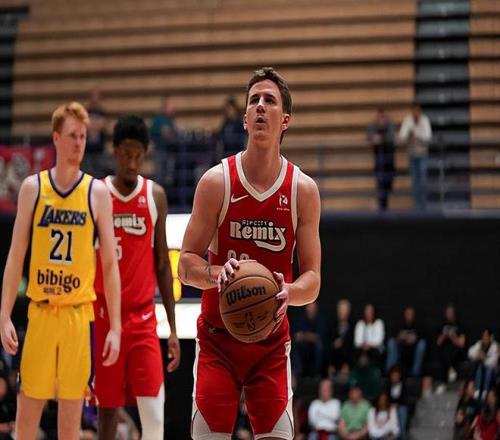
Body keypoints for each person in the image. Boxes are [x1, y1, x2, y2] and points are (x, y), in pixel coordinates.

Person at [179, 67, 321, 439]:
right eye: (253, 100)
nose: (260, 106)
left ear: (285, 120)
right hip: (218, 341)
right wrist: (218, 275)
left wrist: (288, 290)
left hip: (270, 345)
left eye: (269, 100)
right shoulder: (216, 182)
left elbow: (313, 280)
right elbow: (185, 264)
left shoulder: (303, 190)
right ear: (244, 119)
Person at [0, 102, 121, 439]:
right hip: (41, 313)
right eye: (72, 135)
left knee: (70, 426)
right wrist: (4, 314)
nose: (79, 142)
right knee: (26, 422)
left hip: (77, 318)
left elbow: (110, 264)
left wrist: (115, 326)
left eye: (82, 136)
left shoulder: (97, 192)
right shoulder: (33, 188)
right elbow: (15, 256)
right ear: (56, 138)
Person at [93, 115, 181, 440]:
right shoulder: (97, 194)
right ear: (115, 152)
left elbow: (163, 265)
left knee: (155, 418)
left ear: (145, 154)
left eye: (138, 155)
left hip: (144, 319)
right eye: (126, 154)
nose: (131, 163)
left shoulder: (155, 195)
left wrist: (173, 329)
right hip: (105, 318)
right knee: (107, 415)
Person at [398, 103, 432, 211]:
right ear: (412, 111)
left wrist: (417, 135)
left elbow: (428, 137)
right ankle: (417, 206)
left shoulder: (425, 120)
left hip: (422, 154)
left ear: (420, 111)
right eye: (414, 111)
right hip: (412, 153)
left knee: (423, 180)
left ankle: (424, 206)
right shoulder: (407, 120)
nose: (416, 113)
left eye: (418, 111)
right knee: (414, 181)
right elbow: (401, 136)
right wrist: (408, 135)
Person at [366, 109, 395, 211]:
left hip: (389, 161)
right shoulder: (374, 126)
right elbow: (368, 136)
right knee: (380, 182)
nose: (381, 120)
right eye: (380, 118)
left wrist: (381, 138)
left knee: (388, 183)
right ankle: (382, 205)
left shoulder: (390, 126)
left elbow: (391, 137)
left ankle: (384, 203)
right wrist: (373, 137)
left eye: (383, 117)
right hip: (379, 161)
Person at [386, 306, 426, 377]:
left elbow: (424, 337)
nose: (409, 316)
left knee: (422, 344)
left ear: (414, 315)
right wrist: (400, 338)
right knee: (391, 342)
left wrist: (415, 339)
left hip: (413, 350)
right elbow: (392, 335)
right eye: (408, 314)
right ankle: (391, 371)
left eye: (411, 314)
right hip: (400, 349)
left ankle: (415, 373)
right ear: (404, 315)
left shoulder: (418, 325)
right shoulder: (399, 324)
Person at [291, 301, 329, 378]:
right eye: (310, 307)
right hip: (303, 346)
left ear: (316, 309)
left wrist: (305, 336)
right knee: (294, 344)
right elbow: (297, 335)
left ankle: (316, 373)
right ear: (306, 308)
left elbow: (319, 336)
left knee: (320, 346)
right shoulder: (301, 319)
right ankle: (297, 372)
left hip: (315, 346)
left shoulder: (320, 320)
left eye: (313, 308)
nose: (311, 310)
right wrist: (308, 336)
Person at [150, 97, 178, 187]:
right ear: (165, 106)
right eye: (171, 106)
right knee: (160, 175)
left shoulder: (170, 120)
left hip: (169, 151)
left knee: (168, 177)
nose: (173, 108)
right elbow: (161, 133)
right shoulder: (159, 119)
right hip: (160, 151)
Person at [436, 303, 466, 387]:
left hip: (455, 351)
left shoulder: (459, 325)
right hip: (444, 351)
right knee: (444, 351)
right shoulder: (442, 325)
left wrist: (452, 337)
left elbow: (461, 344)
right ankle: (450, 369)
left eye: (451, 313)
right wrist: (444, 335)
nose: (449, 315)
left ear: (454, 313)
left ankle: (449, 370)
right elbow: (438, 342)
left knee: (450, 350)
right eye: (448, 313)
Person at [467, 328, 498, 401]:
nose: (484, 338)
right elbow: (470, 353)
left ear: (490, 337)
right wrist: (478, 355)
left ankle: (485, 391)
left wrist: (484, 359)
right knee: (479, 368)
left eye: (486, 336)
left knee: (488, 370)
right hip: (480, 370)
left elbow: (494, 361)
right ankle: (477, 390)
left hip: (492, 371)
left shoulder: (494, 346)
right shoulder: (479, 343)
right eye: (483, 336)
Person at [330, 299, 354, 373]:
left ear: (348, 311)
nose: (342, 312)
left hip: (348, 361)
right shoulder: (332, 325)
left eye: (344, 310)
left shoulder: (353, 327)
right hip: (334, 360)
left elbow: (352, 345)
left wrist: (343, 342)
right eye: (340, 310)